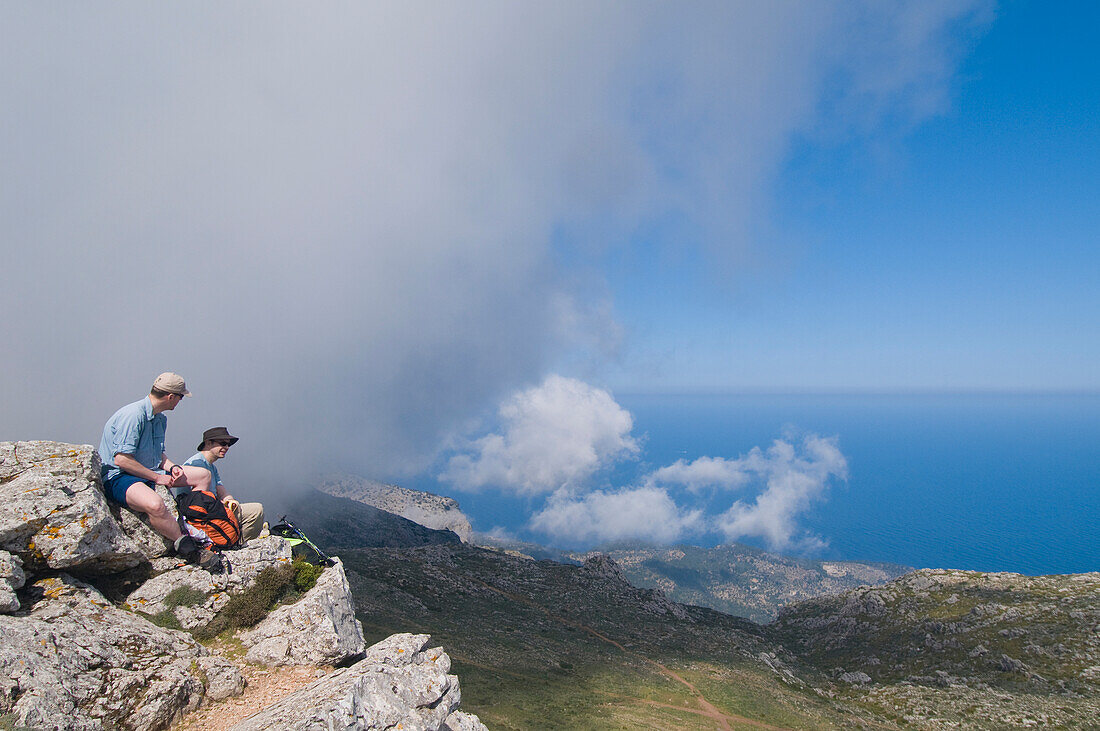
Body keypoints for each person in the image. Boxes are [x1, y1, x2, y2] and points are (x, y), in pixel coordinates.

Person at [99, 372, 219, 568]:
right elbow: (121, 459)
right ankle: (189, 548)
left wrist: (172, 468)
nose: (180, 401)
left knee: (203, 475)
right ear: (171, 396)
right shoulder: (133, 416)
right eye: (180, 397)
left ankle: (202, 526)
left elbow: (158, 455)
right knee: (155, 505)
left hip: (147, 470)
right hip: (119, 477)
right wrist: (157, 478)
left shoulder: (159, 419)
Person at [180, 427, 267, 543]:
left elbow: (221, 490)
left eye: (228, 445)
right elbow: (197, 499)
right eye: (223, 443)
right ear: (208, 443)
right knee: (256, 510)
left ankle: (235, 540)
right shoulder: (195, 464)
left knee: (256, 511)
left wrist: (230, 500)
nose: (226, 447)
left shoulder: (211, 467)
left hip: (214, 509)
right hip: (204, 515)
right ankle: (237, 544)